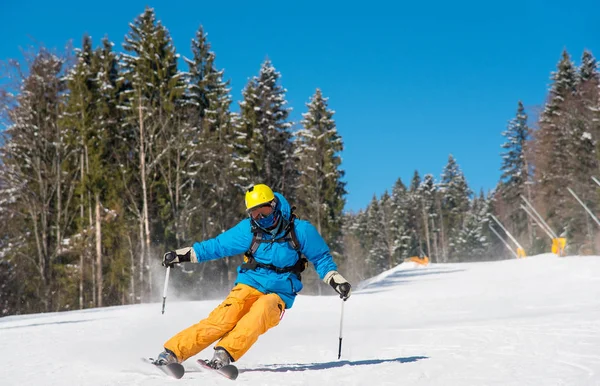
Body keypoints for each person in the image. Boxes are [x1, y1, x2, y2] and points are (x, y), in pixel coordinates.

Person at [154, 184, 352, 369]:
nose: (260, 218)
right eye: (255, 214)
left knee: (261, 312)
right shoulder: (249, 230)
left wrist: (336, 279)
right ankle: (172, 353)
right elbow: (216, 246)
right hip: (250, 282)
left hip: (281, 291)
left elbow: (321, 258)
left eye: (264, 212)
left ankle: (223, 355)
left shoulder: (300, 230)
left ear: (273, 205)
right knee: (225, 318)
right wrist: (181, 255)